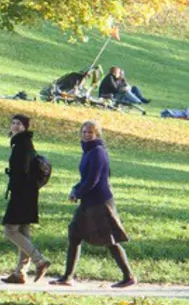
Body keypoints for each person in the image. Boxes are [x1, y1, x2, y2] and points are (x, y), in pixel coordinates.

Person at [52, 120, 136, 288]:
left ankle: (129, 277)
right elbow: (86, 179)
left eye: (90, 132)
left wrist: (77, 192)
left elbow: (93, 180)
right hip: (88, 201)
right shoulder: (89, 151)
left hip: (99, 202)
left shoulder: (97, 152)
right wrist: (76, 189)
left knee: (110, 241)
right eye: (84, 132)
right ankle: (67, 276)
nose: (86, 135)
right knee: (74, 234)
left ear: (97, 134)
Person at [0, 114, 51, 282]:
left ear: (25, 127)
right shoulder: (22, 142)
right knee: (23, 231)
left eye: (19, 124)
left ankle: (39, 260)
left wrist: (14, 183)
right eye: (13, 122)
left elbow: (21, 171)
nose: (15, 126)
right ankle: (20, 273)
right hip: (28, 192)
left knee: (10, 230)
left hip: (22, 193)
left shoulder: (21, 144)